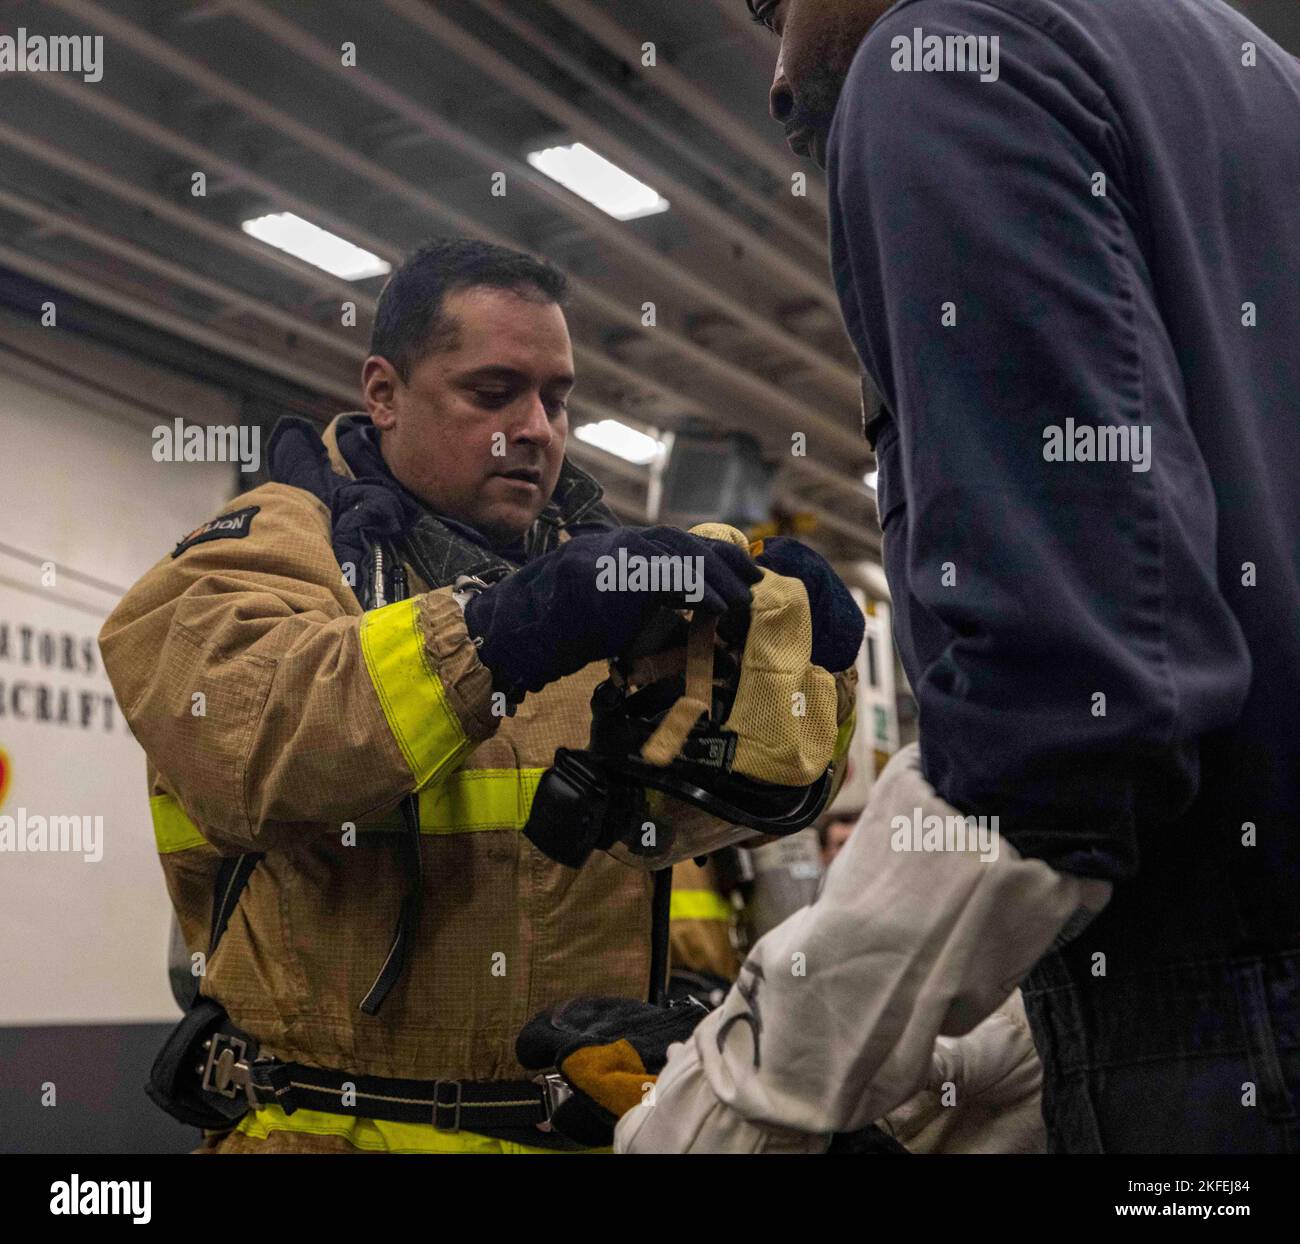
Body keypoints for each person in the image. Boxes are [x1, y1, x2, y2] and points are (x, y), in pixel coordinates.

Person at [617, 0, 1300, 1153]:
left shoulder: (948, 60)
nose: (779, 79)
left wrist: (748, 1098)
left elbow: (1079, 699)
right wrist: (1023, 1051)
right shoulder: (1257, 79)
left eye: (779, 6)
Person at [99, 237, 770, 1153]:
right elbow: (260, 738)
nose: (536, 427)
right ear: (383, 393)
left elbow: (731, 800)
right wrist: (506, 631)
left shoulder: (600, 587)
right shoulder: (254, 551)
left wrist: (785, 644)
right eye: (493, 394)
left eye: (557, 399)